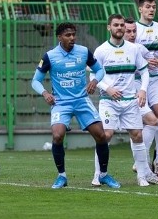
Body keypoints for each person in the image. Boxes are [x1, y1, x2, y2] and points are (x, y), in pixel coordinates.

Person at [32, 22, 120, 189]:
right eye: (67, 35)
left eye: (73, 34)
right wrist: (45, 93)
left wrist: (94, 80)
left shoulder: (84, 52)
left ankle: (103, 175)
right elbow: (35, 80)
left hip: (82, 101)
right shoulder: (49, 56)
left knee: (101, 136)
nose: (72, 38)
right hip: (61, 103)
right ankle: (61, 176)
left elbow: (100, 70)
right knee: (57, 136)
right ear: (59, 37)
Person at [90, 14, 158, 187]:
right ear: (109, 28)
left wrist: (142, 90)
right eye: (116, 25)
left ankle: (142, 176)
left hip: (130, 101)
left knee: (137, 135)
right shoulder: (101, 51)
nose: (120, 28)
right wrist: (108, 88)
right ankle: (98, 175)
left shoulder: (133, 49)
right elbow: (93, 74)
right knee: (105, 136)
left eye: (122, 25)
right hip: (108, 101)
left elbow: (144, 71)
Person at [135, 0, 158, 177]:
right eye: (148, 7)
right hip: (138, 80)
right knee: (147, 121)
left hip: (157, 78)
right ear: (140, 9)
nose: (151, 10)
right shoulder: (134, 29)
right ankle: (143, 162)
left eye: (154, 7)